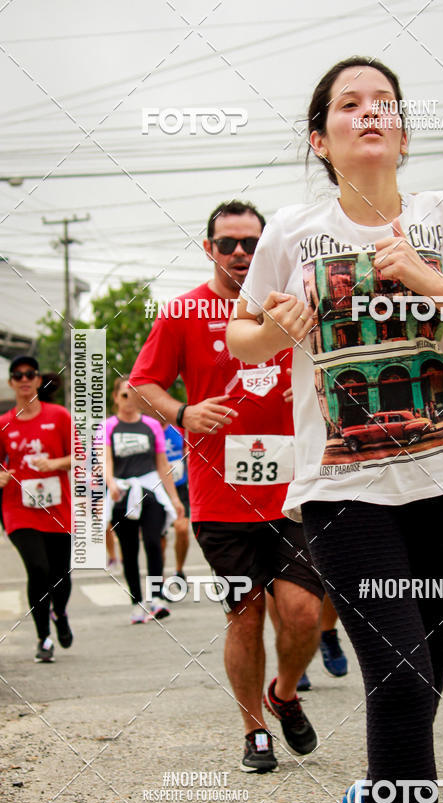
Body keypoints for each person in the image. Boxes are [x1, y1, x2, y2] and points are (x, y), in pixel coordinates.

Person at [226, 57, 443, 803]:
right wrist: (278, 326)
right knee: (398, 676)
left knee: (425, 678)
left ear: (402, 131)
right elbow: (241, 341)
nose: (371, 113)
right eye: (348, 104)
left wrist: (432, 281)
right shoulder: (292, 231)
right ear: (320, 138)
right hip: (340, 490)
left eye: (384, 103)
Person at [129, 199, 325, 774]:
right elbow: (144, 386)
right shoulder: (184, 312)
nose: (240, 253)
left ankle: (283, 694)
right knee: (244, 614)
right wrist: (183, 412)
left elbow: (344, 363)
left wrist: (316, 380)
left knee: (303, 612)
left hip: (296, 489)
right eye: (227, 244)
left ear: (266, 248)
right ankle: (254, 730)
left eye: (251, 244)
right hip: (221, 494)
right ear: (208, 248)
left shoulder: (295, 305)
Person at [0, 357, 73, 662]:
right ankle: (43, 638)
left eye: (30, 374)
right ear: (11, 383)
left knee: (60, 576)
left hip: (57, 507)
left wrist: (55, 463)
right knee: (38, 569)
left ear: (37, 380)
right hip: (19, 509)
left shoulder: (58, 416)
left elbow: (83, 455)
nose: (24, 379)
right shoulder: (4, 424)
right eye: (18, 375)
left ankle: (60, 612)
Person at [104, 375, 184, 624]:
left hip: (150, 490)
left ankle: (157, 597)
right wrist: (111, 484)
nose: (129, 400)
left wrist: (174, 498)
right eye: (124, 394)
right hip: (123, 493)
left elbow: (162, 464)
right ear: (116, 398)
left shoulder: (151, 425)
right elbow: (106, 462)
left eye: (133, 395)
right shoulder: (109, 427)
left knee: (153, 541)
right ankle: (137, 602)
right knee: (129, 550)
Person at [163, 422, 190, 586]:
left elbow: (189, 450)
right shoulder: (149, 427)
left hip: (180, 487)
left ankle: (179, 571)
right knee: (159, 536)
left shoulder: (179, 427)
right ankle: (159, 575)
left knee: (182, 528)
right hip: (157, 488)